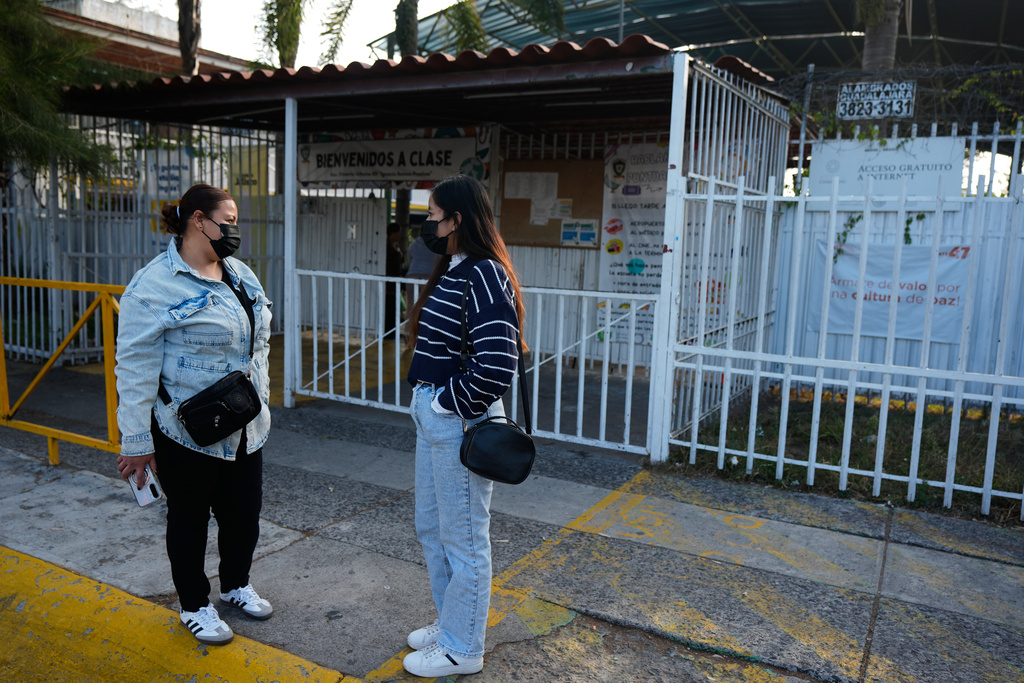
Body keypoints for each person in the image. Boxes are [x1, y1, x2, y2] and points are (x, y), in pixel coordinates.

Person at [115, 184, 274, 646]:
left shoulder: (241, 274)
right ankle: (193, 605)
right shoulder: (153, 286)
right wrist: (136, 443)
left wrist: (260, 398)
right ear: (199, 220)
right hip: (186, 431)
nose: (234, 230)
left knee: (244, 515)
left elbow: (259, 343)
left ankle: (235, 585)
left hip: (246, 427)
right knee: (189, 520)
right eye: (228, 220)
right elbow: (135, 369)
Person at [403, 174, 527, 677]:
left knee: (464, 538)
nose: (427, 225)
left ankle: (462, 648)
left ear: (458, 220)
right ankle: (452, 621)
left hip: (458, 420)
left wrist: (445, 405)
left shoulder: (484, 273)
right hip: (436, 417)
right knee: (432, 528)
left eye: (433, 217)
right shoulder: (454, 268)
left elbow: (498, 363)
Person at [404, 225, 441, 307]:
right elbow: (440, 262)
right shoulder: (436, 244)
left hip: (412, 276)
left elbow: (409, 259)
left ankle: (410, 320)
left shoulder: (414, 243)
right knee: (427, 307)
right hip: (429, 278)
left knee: (411, 307)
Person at [384, 222, 405, 337]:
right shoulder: (386, 246)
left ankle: (393, 330)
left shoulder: (395, 245)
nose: (400, 234)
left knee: (394, 308)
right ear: (393, 233)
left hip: (395, 280)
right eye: (398, 232)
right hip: (389, 283)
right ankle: (389, 332)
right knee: (389, 308)